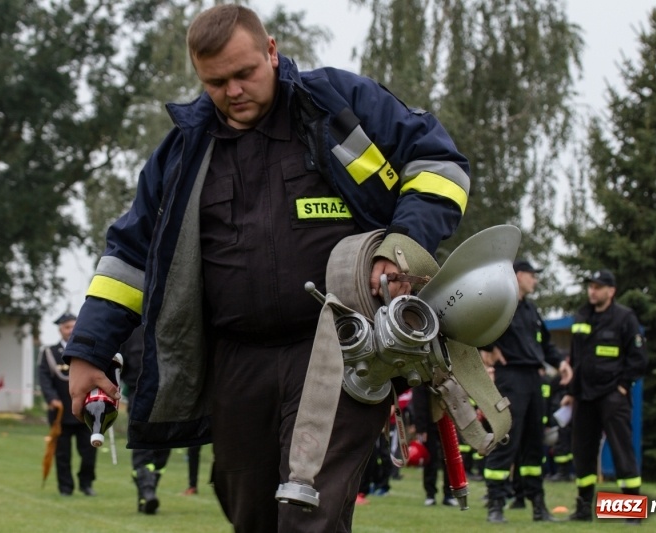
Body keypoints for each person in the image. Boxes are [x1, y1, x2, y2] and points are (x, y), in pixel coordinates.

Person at [62, 4, 470, 531]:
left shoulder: (339, 105)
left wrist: (402, 244)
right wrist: (89, 351)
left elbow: (439, 165)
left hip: (339, 347)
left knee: (306, 515)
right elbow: (129, 259)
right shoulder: (182, 154)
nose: (232, 91)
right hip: (236, 363)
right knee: (251, 515)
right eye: (215, 82)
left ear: (272, 51)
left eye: (244, 73)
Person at [479, 258, 572, 523]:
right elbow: (477, 327)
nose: (536, 279)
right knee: (506, 441)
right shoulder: (501, 305)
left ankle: (538, 507)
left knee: (534, 445)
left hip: (534, 380)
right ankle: (495, 505)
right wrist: (490, 347)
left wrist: (561, 364)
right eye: (532, 275)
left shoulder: (531, 311)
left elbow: (546, 346)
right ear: (518, 275)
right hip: (511, 379)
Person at [562, 269, 647, 523]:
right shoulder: (581, 316)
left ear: (611, 291)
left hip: (613, 396)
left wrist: (622, 387)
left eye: (598, 287)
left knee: (622, 452)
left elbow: (639, 359)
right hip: (584, 397)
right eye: (591, 286)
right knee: (583, 453)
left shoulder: (625, 318)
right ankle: (583, 508)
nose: (593, 291)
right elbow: (576, 358)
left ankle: (631, 513)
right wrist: (571, 392)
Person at [38, 312, 97, 496]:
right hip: (61, 412)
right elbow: (44, 378)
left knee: (89, 452)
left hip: (85, 411)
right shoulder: (50, 353)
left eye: (74, 326)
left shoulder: (88, 350)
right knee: (63, 454)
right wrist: (51, 399)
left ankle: (86, 484)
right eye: (67, 327)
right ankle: (65, 487)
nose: (70, 331)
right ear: (60, 330)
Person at [119, 325, 172, 515]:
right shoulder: (130, 330)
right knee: (143, 447)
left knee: (162, 450)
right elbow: (119, 361)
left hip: (169, 393)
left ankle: (147, 493)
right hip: (139, 393)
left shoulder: (169, 322)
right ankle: (147, 493)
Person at [411, 383, 459, 507]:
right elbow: (419, 401)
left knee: (449, 460)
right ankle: (430, 494)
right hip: (429, 423)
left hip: (448, 421)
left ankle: (449, 494)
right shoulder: (423, 376)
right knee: (430, 460)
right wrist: (421, 428)